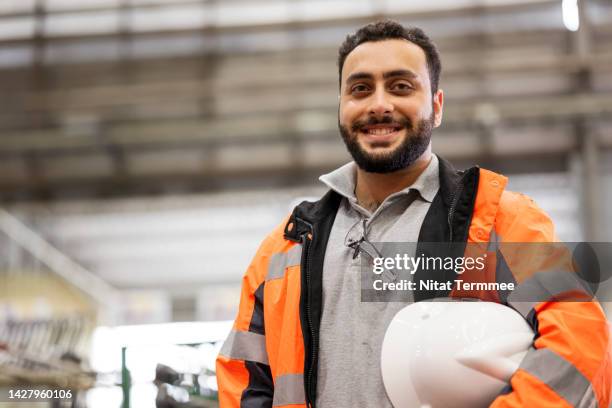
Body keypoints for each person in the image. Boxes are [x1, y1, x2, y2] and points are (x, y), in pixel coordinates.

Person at [216, 20, 610, 407]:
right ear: (341, 107)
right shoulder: (284, 250)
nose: (379, 104)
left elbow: (581, 343)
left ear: (436, 107)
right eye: (360, 89)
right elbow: (244, 379)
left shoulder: (499, 222)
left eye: (401, 86)